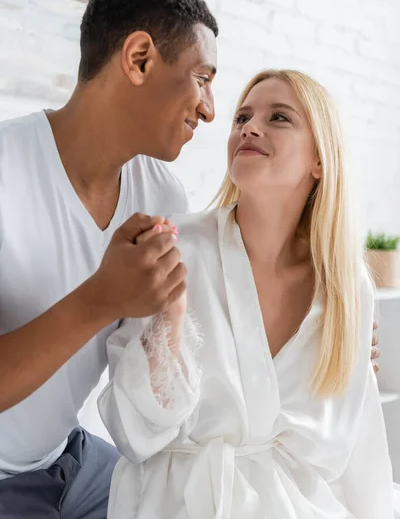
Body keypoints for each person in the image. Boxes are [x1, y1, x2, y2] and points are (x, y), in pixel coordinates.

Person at [99, 69, 394, 518]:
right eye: (241, 117)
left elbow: (361, 455)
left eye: (278, 117)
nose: (248, 128)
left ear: (320, 159)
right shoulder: (177, 249)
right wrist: (171, 321)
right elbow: (134, 431)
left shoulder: (345, 285)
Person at [0, 0, 218, 519]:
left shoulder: (161, 192)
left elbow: (175, 346)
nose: (210, 108)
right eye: (201, 77)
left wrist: (323, 325)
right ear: (140, 58)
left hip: (71, 459)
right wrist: (102, 298)